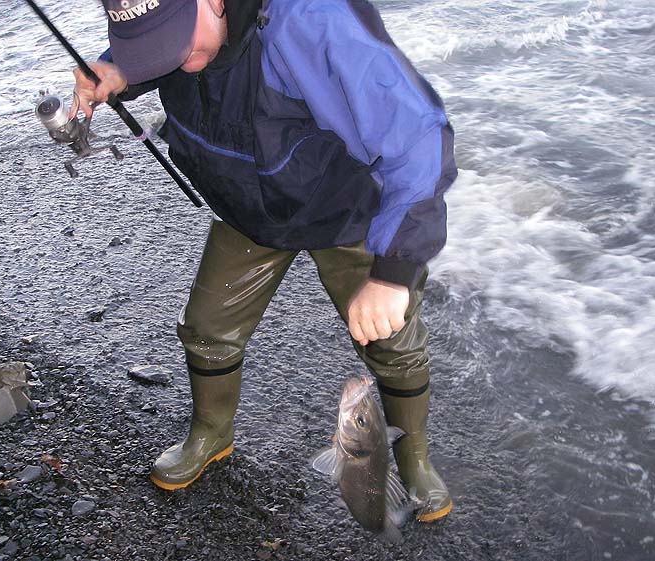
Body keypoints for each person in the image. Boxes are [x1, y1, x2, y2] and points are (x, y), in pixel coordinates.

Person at [71, 0, 458, 522]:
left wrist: (394, 272)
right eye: (152, 45)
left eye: (176, 41)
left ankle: (413, 459)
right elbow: (160, 46)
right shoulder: (184, 27)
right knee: (207, 329)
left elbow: (418, 138)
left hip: (345, 212)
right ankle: (210, 433)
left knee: (391, 338)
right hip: (248, 210)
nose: (178, 60)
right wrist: (121, 71)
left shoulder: (313, 21)